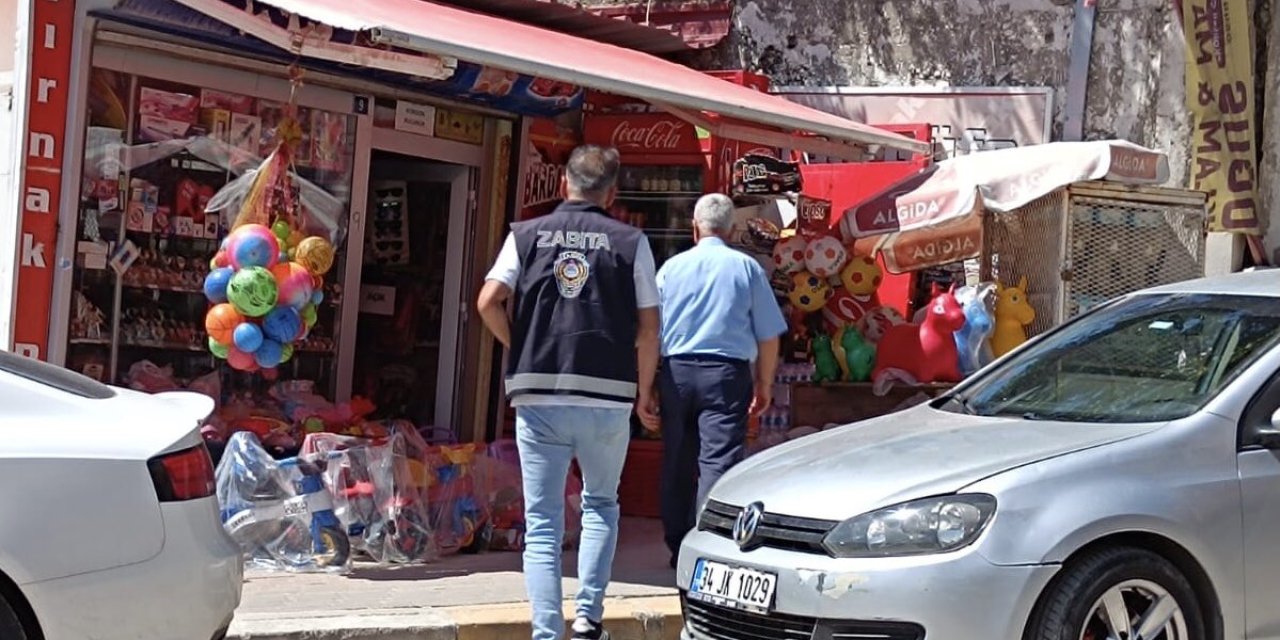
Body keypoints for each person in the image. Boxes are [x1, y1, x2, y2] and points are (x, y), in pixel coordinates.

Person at [476, 144, 661, 640]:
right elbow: (649, 327)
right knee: (601, 503)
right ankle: (587, 619)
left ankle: (545, 631)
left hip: (539, 392)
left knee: (542, 522)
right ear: (612, 192)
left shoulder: (525, 235)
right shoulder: (630, 241)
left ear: (564, 184)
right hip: (607, 392)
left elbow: (488, 301)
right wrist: (645, 392)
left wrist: (521, 346)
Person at [654, 193, 787, 567]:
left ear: (694, 228)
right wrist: (764, 384)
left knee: (676, 460)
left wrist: (646, 385)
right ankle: (708, 542)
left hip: (676, 372)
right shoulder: (747, 269)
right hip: (726, 375)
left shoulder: (670, 269)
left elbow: (650, 332)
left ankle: (677, 543)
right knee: (718, 463)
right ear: (732, 229)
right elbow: (768, 335)